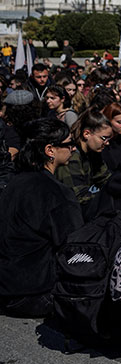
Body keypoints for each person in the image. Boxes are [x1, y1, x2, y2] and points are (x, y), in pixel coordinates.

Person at [0, 119, 83, 317]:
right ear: (50, 150)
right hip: (34, 293)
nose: (73, 148)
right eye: (68, 143)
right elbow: (73, 245)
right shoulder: (56, 194)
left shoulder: (13, 183)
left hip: (6, 287)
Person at [55, 110, 113, 209]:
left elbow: (106, 178)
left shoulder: (93, 152)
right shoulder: (71, 156)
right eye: (104, 138)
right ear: (87, 134)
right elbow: (79, 196)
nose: (107, 143)